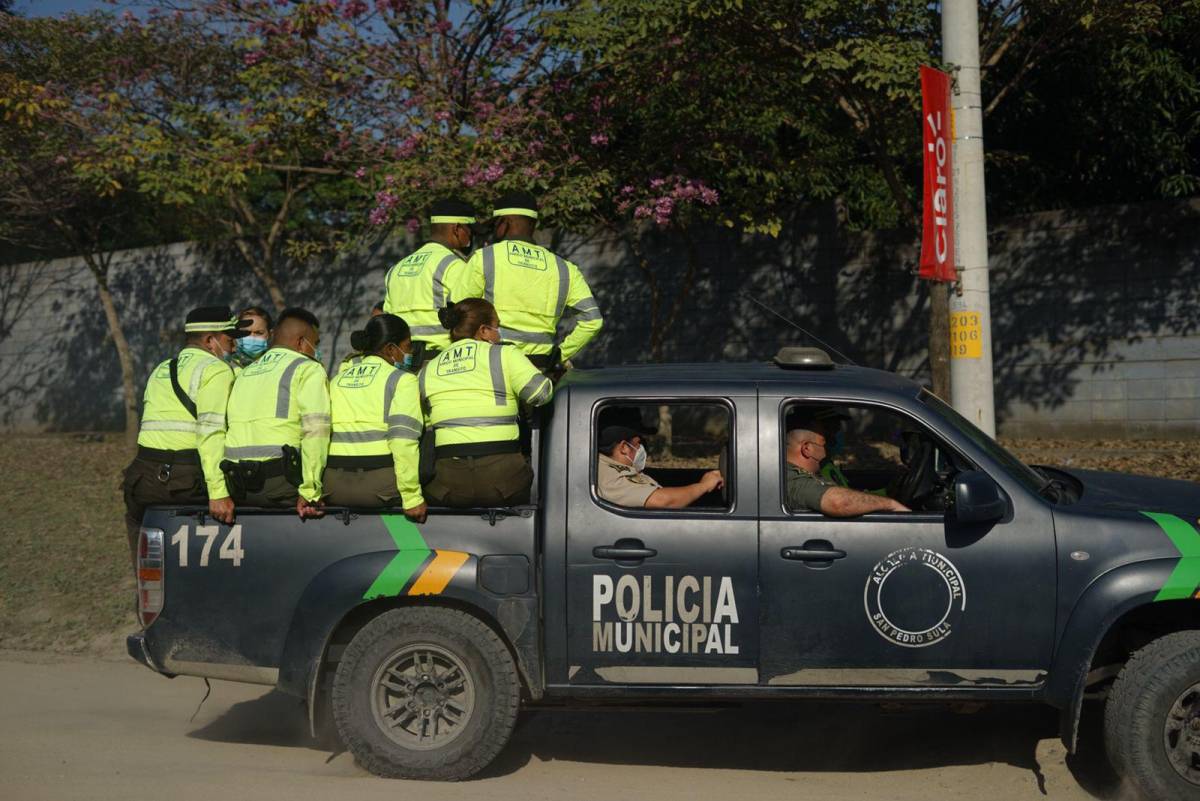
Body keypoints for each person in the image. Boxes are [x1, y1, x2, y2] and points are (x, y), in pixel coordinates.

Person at [122, 306, 246, 564]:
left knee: (147, 556)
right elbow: (211, 432)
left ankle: (147, 595)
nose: (234, 345)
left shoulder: (161, 368)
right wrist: (218, 492)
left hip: (142, 477)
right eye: (229, 338)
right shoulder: (216, 370)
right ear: (210, 341)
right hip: (184, 479)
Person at [418, 298, 553, 507]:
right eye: (497, 327)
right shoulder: (503, 354)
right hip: (504, 483)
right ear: (483, 330)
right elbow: (540, 394)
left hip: (449, 486)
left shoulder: (428, 369)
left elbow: (426, 423)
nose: (499, 333)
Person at [461, 190, 603, 370]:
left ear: (506, 222)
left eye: (495, 224)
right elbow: (593, 320)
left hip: (493, 366)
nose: (493, 231)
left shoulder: (484, 258)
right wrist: (560, 354)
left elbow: (462, 312)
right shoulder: (565, 268)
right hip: (541, 368)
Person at [222, 307, 330, 517]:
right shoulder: (307, 368)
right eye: (314, 344)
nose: (315, 350)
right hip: (280, 483)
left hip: (238, 486)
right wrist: (311, 489)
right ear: (300, 342)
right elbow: (316, 430)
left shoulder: (244, 372)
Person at [324, 314, 426, 521]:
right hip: (379, 487)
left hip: (333, 486)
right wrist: (412, 497)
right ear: (390, 349)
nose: (409, 353)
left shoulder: (337, 380)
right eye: (407, 346)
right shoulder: (402, 380)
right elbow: (403, 441)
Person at [383, 198, 478, 363]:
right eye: (469, 229)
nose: (470, 235)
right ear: (457, 228)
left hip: (404, 364)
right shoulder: (455, 266)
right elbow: (468, 318)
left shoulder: (396, 269)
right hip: (443, 362)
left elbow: (388, 319)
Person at [785, 427, 909, 516]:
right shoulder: (790, 478)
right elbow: (838, 502)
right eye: (824, 443)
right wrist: (891, 504)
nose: (828, 447)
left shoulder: (812, 473)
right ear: (807, 448)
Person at [596, 425, 723, 509]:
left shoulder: (615, 467)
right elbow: (662, 501)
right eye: (639, 443)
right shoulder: (608, 474)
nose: (642, 448)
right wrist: (704, 486)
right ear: (624, 447)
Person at [229, 305, 273, 370]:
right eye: (246, 332)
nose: (251, 337)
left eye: (258, 333)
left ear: (270, 334)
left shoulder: (276, 362)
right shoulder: (229, 365)